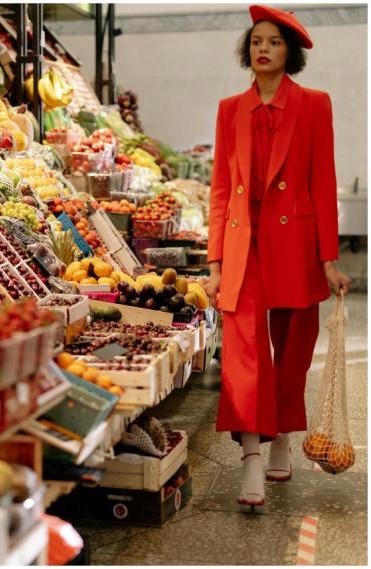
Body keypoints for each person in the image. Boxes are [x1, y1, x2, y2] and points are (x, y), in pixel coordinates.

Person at [206, 5, 351, 509]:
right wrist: (215, 264)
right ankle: (250, 457)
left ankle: (284, 435)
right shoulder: (230, 109)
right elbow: (221, 189)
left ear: (290, 52)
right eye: (255, 41)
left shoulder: (314, 104)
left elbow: (323, 181)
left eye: (273, 41)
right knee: (245, 353)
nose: (261, 48)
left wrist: (329, 258)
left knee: (292, 347)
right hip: (245, 244)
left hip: (296, 243)